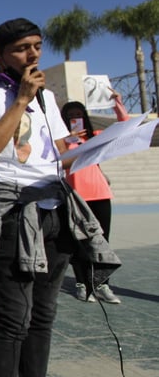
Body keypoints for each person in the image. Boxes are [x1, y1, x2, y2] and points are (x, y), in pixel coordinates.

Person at [0, 17, 120, 377]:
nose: (33, 54)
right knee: (15, 316)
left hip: (55, 210)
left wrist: (106, 143)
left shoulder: (48, 99)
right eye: (21, 48)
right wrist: (20, 100)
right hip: (14, 212)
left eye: (37, 45)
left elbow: (58, 157)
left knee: (44, 315)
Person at [60, 94, 129, 303]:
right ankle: (83, 284)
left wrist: (117, 103)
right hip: (75, 195)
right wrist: (69, 138)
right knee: (79, 242)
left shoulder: (96, 136)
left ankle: (102, 284)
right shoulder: (62, 141)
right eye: (71, 116)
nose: (75, 118)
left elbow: (124, 126)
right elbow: (57, 158)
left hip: (99, 193)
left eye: (79, 115)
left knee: (102, 242)